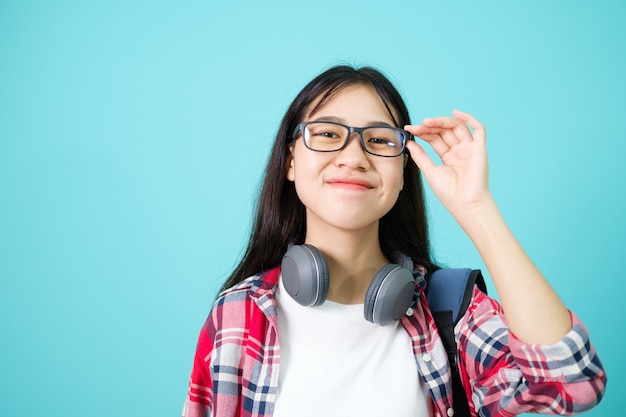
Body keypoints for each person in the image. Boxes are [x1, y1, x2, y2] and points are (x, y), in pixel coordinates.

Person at [182, 65, 606, 417]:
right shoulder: (238, 314)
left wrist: (476, 208)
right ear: (291, 161)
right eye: (328, 134)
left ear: (403, 172)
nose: (353, 157)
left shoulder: (450, 315)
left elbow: (571, 383)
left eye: (380, 140)